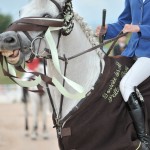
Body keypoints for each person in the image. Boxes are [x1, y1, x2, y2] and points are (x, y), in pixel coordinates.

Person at [96, 0, 150, 149]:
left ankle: (144, 140)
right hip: (131, 51)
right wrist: (107, 30)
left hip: (148, 54)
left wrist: (139, 28)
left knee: (126, 84)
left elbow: (133, 27)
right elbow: (123, 23)